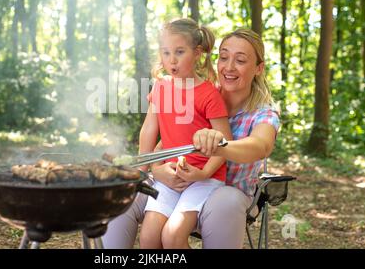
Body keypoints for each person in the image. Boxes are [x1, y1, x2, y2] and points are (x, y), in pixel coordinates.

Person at [102, 28, 280, 249]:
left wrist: (218, 146)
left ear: (258, 68)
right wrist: (157, 169)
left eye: (241, 60)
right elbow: (167, 142)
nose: (229, 67)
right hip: (176, 180)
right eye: (224, 57)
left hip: (219, 192)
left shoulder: (263, 113)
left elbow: (259, 146)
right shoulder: (196, 89)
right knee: (119, 193)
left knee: (222, 203)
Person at [138, 18, 232, 249]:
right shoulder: (160, 87)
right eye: (166, 52)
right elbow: (149, 130)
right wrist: (145, 169)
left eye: (179, 52)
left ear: (197, 52)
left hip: (205, 179)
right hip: (171, 176)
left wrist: (202, 173)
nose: (171, 60)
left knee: (172, 236)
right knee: (149, 239)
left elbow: (225, 144)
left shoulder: (209, 94)